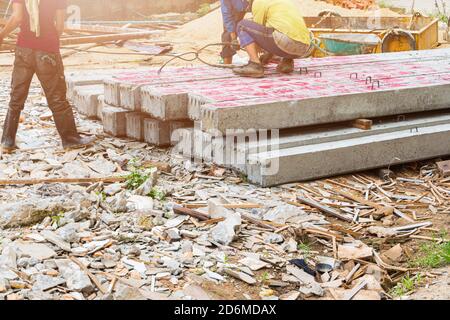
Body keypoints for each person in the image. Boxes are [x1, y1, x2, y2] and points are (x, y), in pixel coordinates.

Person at [0, 0, 95, 154]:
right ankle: (70, 139)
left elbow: (17, 17)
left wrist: (2, 35)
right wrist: (49, 42)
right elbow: (59, 26)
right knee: (56, 97)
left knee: (16, 97)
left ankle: (7, 141)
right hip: (47, 50)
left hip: (23, 49)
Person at [233, 0, 312, 78]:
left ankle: (254, 65)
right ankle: (287, 62)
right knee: (287, 30)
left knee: (242, 25)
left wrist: (254, 53)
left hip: (285, 41)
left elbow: (258, 35)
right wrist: (269, 55)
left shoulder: (258, 2)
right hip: (304, 47)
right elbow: (276, 29)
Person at [220, 0, 250, 64]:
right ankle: (227, 65)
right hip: (233, 14)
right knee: (227, 36)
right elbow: (227, 17)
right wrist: (234, 38)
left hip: (252, 9)